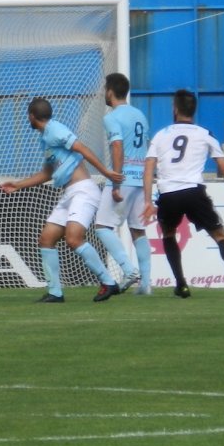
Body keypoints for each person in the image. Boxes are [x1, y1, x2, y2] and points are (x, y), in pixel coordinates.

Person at [0, 97, 125, 303]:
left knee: (73, 239)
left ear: (32, 116)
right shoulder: (46, 138)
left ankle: (108, 282)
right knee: (46, 239)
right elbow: (48, 172)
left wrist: (106, 172)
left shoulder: (55, 129)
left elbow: (82, 148)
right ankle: (55, 292)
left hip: (83, 191)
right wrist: (18, 185)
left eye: (27, 116)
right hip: (69, 193)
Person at [142, 89, 224, 299]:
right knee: (220, 235)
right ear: (193, 110)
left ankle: (181, 283)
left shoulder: (161, 135)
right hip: (194, 192)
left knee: (168, 233)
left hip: (169, 193)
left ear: (175, 109)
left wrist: (148, 200)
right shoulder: (204, 134)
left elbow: (149, 167)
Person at [93, 73, 152, 295]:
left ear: (110, 91)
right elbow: (147, 150)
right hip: (140, 178)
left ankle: (129, 270)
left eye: (105, 89)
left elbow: (117, 146)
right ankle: (145, 285)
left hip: (123, 177)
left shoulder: (112, 117)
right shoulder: (140, 115)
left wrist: (116, 180)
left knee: (102, 226)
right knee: (138, 230)